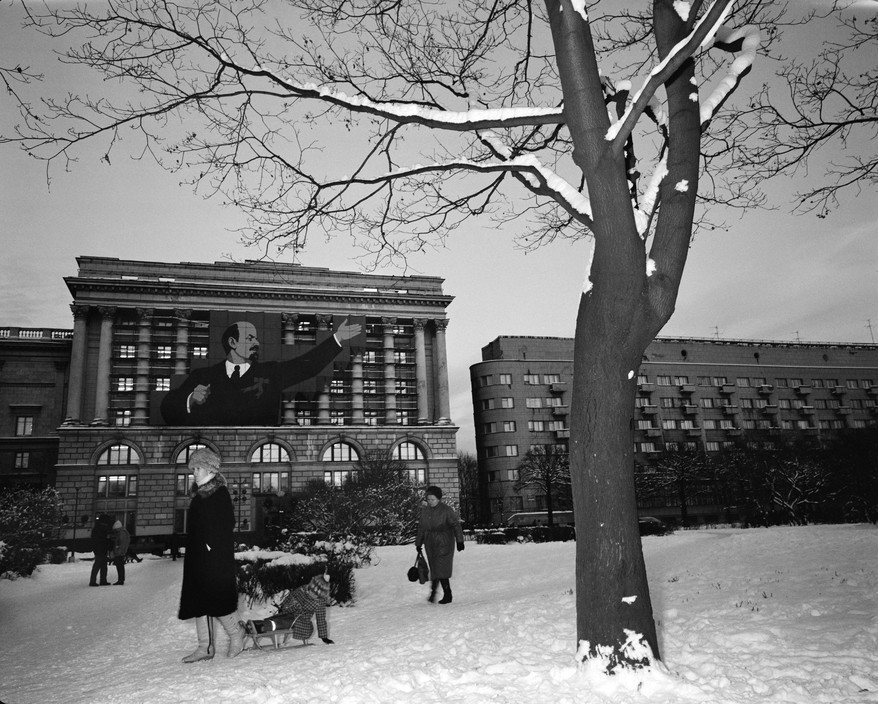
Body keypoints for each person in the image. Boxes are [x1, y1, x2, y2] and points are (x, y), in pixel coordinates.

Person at [159, 318, 362, 426]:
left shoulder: (270, 372)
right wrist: (190, 400)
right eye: (250, 339)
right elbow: (167, 408)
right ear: (232, 342)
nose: (256, 343)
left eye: (255, 339)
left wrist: (337, 339)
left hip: (261, 439)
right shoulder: (203, 376)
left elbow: (307, 366)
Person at [178, 448, 245, 663]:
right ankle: (204, 646)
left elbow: (226, 525)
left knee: (218, 599)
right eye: (193, 469)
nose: (194, 472)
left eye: (197, 468)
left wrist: (210, 547)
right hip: (199, 557)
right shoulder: (200, 495)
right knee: (199, 600)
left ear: (209, 469)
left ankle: (237, 635)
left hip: (214, 558)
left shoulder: (218, 493)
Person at [245, 573, 335, 646]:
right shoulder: (302, 589)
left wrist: (324, 638)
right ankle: (254, 625)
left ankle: (261, 627)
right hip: (288, 613)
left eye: (316, 594)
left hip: (301, 621)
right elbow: (289, 599)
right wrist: (285, 607)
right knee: (275, 619)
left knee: (281, 623)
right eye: (312, 590)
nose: (312, 594)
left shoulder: (320, 602)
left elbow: (321, 619)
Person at [415, 486, 465, 604]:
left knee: (441, 568)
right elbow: (421, 527)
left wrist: (460, 541)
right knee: (435, 568)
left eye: (433, 499)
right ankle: (436, 593)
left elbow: (456, 525)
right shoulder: (425, 511)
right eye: (429, 499)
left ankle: (445, 594)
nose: (430, 502)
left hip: (444, 542)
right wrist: (418, 543)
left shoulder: (446, 510)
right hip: (430, 543)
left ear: (439, 499)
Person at [88, 514, 112, 587]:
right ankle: (101, 580)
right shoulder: (103, 529)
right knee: (101, 565)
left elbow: (95, 540)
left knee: (99, 565)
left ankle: (96, 580)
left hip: (98, 549)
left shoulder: (97, 528)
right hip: (101, 549)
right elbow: (104, 540)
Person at [111, 520, 131, 585]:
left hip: (119, 553)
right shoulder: (123, 532)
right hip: (120, 552)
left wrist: (120, 551)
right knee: (120, 566)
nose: (115, 531)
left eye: (116, 530)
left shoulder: (122, 533)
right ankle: (121, 579)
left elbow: (122, 543)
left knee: (119, 566)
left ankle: (120, 580)